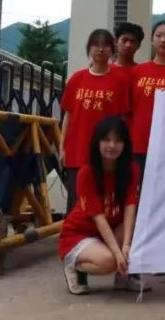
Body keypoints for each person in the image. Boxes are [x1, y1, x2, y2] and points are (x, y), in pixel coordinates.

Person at [58, 115, 139, 295]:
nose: (112, 145)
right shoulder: (86, 173)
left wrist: (126, 246)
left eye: (118, 141)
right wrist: (117, 253)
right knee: (109, 261)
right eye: (106, 140)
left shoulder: (131, 170)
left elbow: (130, 208)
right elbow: (99, 218)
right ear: (97, 142)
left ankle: (123, 277)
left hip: (109, 230)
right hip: (80, 234)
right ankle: (74, 265)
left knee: (135, 227)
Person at [59, 29, 131, 211]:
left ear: (112, 50)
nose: (100, 49)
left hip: (106, 151)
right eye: (95, 45)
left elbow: (122, 119)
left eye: (105, 45)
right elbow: (68, 115)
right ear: (89, 48)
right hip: (77, 149)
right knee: (76, 202)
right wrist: (62, 146)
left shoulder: (120, 80)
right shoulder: (77, 79)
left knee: (102, 200)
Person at [128, 22, 165, 174]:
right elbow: (129, 108)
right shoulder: (138, 71)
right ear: (152, 40)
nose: (163, 40)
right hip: (139, 142)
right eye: (158, 36)